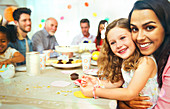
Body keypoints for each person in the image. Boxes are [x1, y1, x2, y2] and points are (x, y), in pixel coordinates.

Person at [80, 18, 159, 108]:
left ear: (134, 36)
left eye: (122, 38)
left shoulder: (146, 62)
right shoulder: (126, 61)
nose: (118, 45)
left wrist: (95, 91)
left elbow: (130, 93)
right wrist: (97, 82)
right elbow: (117, 83)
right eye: (113, 42)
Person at [118, 0, 170, 108]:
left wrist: (123, 103)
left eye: (149, 27)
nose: (139, 37)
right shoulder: (147, 54)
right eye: (135, 29)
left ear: (167, 28)